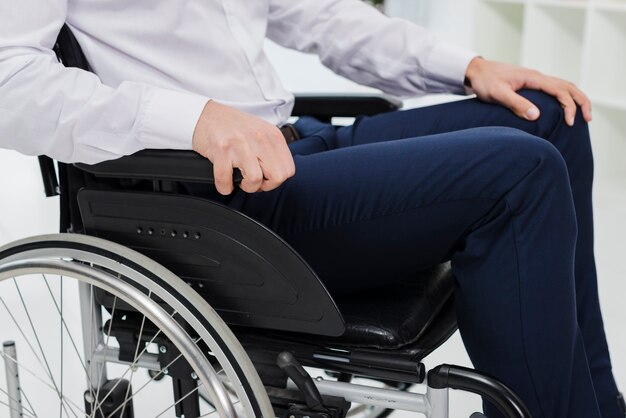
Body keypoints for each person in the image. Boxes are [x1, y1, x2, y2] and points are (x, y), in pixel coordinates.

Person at [0, 0, 623, 416]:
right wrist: (188, 118)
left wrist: (467, 67)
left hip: (292, 145)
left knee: (552, 122)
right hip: (211, 195)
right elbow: (9, 79)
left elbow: (316, 12)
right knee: (520, 170)